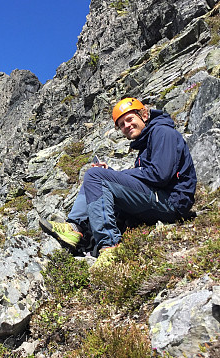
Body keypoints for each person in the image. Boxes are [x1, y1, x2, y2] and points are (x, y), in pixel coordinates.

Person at [39, 97, 197, 255]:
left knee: (96, 176)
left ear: (144, 115)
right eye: (122, 124)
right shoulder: (146, 143)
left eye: (130, 119)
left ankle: (109, 246)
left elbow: (160, 175)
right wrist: (112, 174)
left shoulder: (162, 132)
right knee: (94, 181)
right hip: (159, 199)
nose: (127, 126)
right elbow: (146, 178)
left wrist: (115, 175)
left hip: (172, 202)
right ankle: (75, 228)